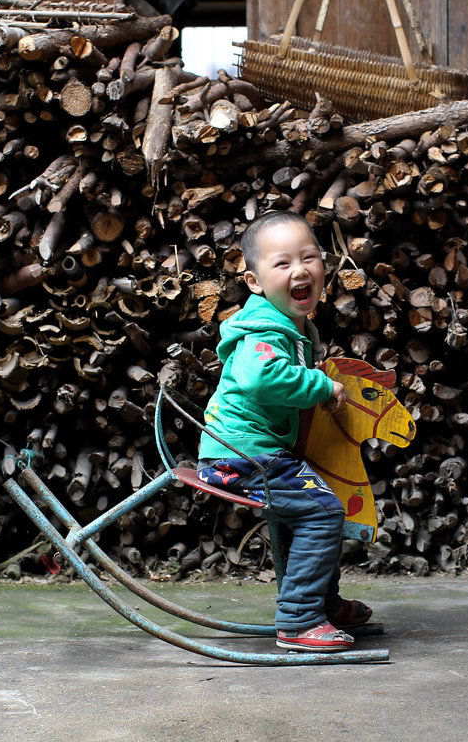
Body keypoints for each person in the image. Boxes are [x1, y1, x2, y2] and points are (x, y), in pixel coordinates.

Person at [196, 211, 372, 652]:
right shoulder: (265, 331)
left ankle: (322, 602)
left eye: (309, 257)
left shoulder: (286, 325)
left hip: (254, 451)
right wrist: (321, 386)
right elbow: (261, 379)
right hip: (243, 455)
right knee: (322, 511)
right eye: (282, 263)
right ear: (255, 282)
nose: (299, 270)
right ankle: (298, 618)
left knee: (317, 500)